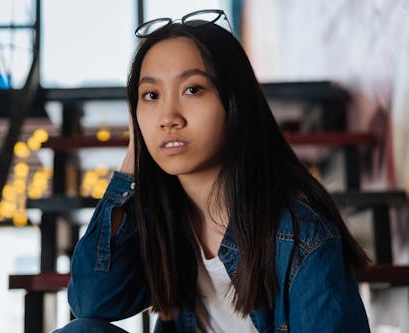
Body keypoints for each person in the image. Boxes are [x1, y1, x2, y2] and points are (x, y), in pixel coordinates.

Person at [55, 9, 371, 333]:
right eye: (151, 95)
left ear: (234, 103)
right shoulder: (166, 220)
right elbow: (91, 300)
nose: (168, 117)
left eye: (193, 89)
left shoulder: (301, 234)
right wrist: (135, 157)